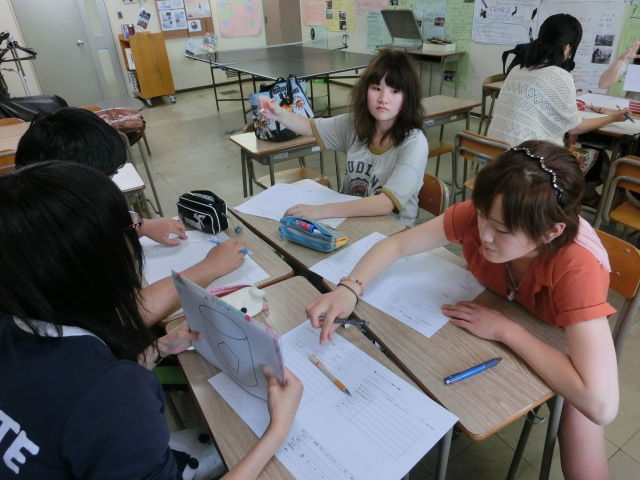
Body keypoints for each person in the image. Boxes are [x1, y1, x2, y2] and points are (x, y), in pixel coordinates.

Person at [306, 141, 618, 480]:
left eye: (501, 230)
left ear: (550, 232)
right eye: (483, 215)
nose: (484, 235)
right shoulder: (489, 214)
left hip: (559, 338)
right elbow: (397, 244)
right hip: (502, 308)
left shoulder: (577, 267)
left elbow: (601, 404)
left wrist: (506, 330)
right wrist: (348, 290)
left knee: (580, 425)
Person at [0, 162, 303, 479]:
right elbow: (96, 401)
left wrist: (156, 349)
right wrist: (277, 431)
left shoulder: (12, 325)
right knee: (227, 444)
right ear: (102, 261)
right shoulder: (113, 396)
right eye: (130, 230)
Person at [14, 107, 247, 326]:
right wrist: (210, 267)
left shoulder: (32, 211)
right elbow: (128, 316)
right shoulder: (57, 245)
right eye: (108, 176)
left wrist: (140, 225)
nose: (111, 186)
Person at [259, 49, 428, 227]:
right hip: (351, 222)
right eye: (376, 88)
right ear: (365, 91)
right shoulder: (355, 125)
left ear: (408, 97)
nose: (383, 99)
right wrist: (279, 114)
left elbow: (384, 203)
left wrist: (319, 211)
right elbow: (310, 126)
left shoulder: (414, 143)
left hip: (393, 233)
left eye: (395, 91)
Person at [488, 14, 628, 148]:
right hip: (526, 163)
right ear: (566, 47)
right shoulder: (560, 75)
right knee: (594, 158)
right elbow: (575, 128)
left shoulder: (517, 69)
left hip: (494, 156)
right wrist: (613, 118)